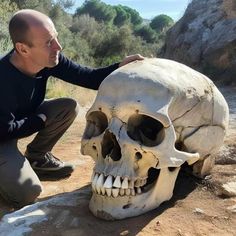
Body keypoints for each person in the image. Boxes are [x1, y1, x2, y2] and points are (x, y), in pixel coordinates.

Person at [0, 9, 144, 209]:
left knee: (67, 107)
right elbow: (4, 131)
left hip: (16, 120)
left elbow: (88, 77)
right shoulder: (2, 79)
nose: (58, 46)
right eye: (49, 42)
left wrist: (120, 66)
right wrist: (39, 120)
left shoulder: (48, 60)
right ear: (23, 49)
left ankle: (37, 159)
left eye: (56, 38)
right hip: (2, 134)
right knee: (27, 193)